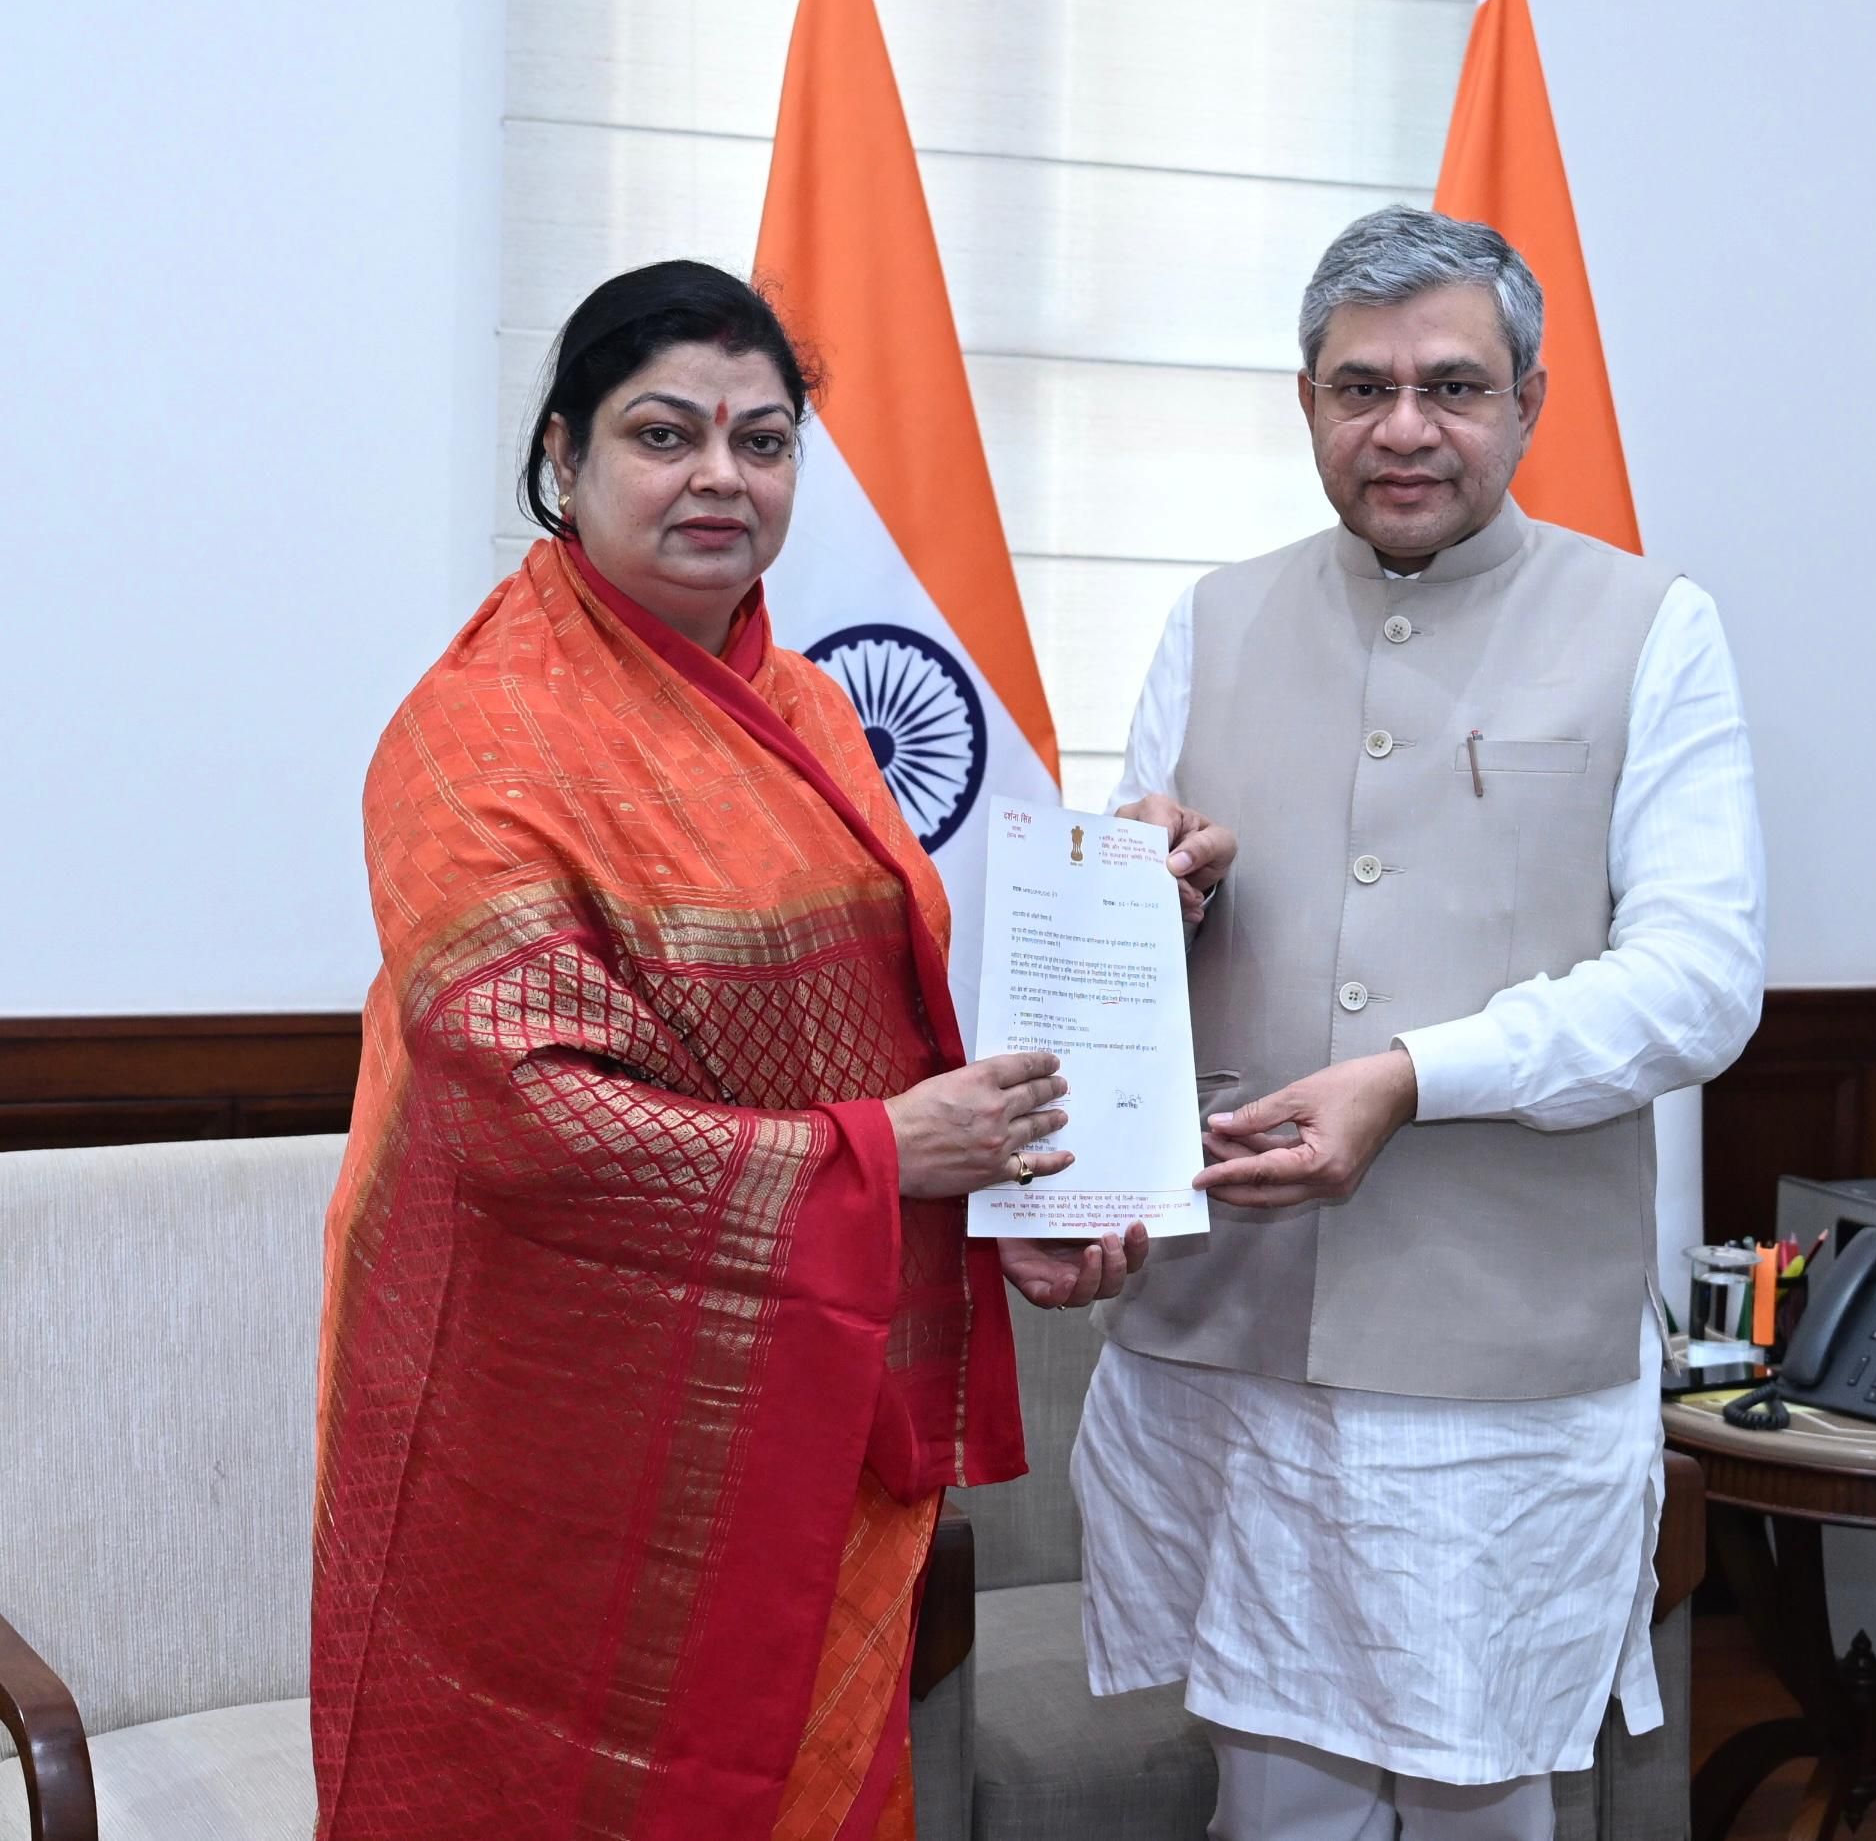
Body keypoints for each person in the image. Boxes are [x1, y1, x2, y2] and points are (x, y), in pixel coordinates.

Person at [313, 261, 1147, 1841]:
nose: (720, 476)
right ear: (563, 457)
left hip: (804, 1378)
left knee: (804, 1780)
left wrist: (997, 1203)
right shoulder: (475, 738)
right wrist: (894, 1156)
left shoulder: (815, 708)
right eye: (663, 434)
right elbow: (527, 1112)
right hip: (554, 1401)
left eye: (762, 441)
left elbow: (881, 1040)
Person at [1084, 205, 1767, 1841]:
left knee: (1481, 1799)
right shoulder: (1212, 617)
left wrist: (1411, 1078)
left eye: (1451, 387)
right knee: (1272, 1807)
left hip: (1493, 1365)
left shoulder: (1650, 624)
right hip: (1224, 1332)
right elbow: (1123, 951)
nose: (1402, 427)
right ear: (1304, 402)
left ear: (1526, 401)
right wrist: (1143, 896)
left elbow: (1697, 984)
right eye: (1360, 388)